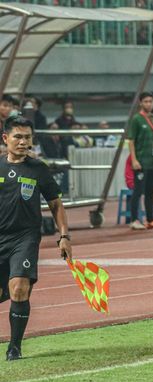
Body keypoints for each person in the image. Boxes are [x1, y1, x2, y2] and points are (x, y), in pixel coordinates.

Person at [0, 116, 71, 361]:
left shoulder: (38, 168)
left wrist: (64, 235)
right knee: (9, 290)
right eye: (18, 136)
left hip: (25, 237)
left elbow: (56, 204)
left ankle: (14, 347)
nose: (23, 142)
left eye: (27, 137)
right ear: (5, 138)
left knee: (19, 288)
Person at [127, 92, 153, 230]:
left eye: (151, 101)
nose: (149, 104)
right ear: (140, 103)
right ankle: (134, 220)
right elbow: (131, 141)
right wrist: (134, 160)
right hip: (141, 161)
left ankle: (150, 220)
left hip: (152, 161)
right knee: (138, 191)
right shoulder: (137, 119)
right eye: (146, 101)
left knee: (150, 191)